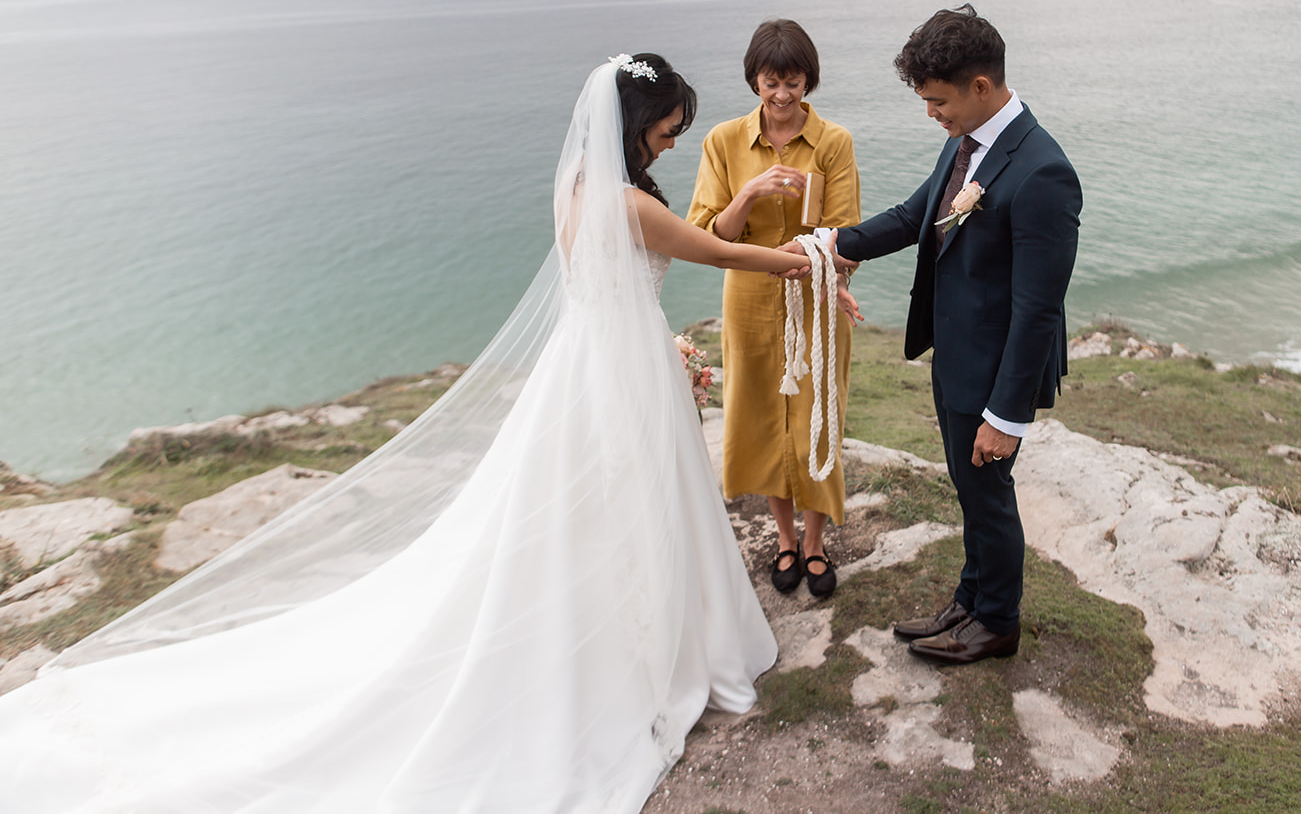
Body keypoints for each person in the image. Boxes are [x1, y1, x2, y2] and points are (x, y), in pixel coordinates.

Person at [0, 54, 811, 813]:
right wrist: (805, 259)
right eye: (667, 127)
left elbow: (669, 249)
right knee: (629, 499)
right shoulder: (631, 203)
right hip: (622, 366)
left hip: (592, 359)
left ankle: (606, 627)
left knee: (589, 506)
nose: (674, 139)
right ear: (634, 125)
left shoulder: (576, 186)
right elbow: (711, 251)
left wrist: (740, 219)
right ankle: (627, 650)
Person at [819, 6, 1081, 665]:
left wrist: (1006, 414)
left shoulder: (1043, 172)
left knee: (988, 496)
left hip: (995, 376)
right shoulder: (967, 139)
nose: (932, 113)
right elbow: (918, 214)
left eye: (938, 101)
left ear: (981, 87)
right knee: (969, 489)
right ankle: (971, 596)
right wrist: (832, 243)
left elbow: (1037, 309)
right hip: (956, 358)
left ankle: (997, 623)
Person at [688, 19, 861, 598]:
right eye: (771, 83)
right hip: (749, 303)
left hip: (815, 299)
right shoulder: (723, 142)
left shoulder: (833, 142)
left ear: (808, 80)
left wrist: (826, 265)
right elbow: (708, 234)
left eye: (793, 83)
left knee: (817, 413)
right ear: (753, 81)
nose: (783, 96)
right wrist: (750, 192)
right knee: (763, 415)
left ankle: (815, 544)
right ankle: (784, 539)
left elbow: (846, 237)